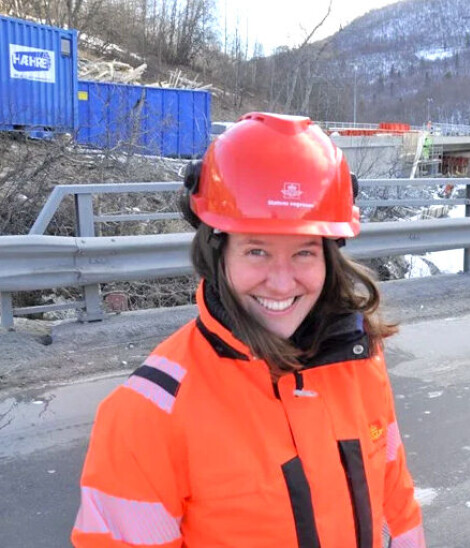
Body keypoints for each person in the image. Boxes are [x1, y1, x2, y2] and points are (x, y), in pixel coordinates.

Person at [71, 112, 426, 548]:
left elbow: (395, 500)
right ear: (216, 253)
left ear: (330, 257)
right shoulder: (149, 414)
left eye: (304, 252)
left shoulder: (360, 361)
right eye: (256, 250)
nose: (281, 282)